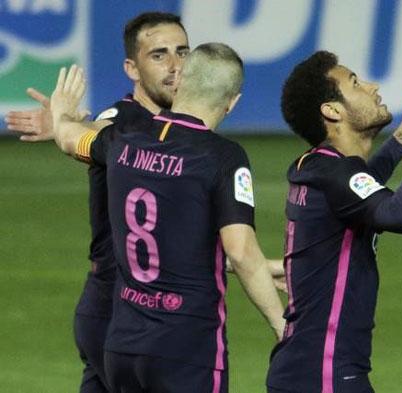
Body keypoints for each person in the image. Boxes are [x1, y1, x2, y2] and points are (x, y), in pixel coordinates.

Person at [50, 43, 285, 393]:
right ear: (233, 102)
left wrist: (60, 114)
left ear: (179, 83)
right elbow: (239, 250)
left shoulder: (122, 139)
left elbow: (70, 140)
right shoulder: (223, 157)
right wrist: (283, 327)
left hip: (123, 344)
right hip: (186, 347)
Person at [4, 12, 190, 393]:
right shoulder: (124, 118)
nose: (175, 66)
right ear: (131, 69)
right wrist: (66, 126)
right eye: (159, 55)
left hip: (124, 310)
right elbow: (108, 132)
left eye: (182, 52)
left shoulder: (175, 127)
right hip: (119, 311)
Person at [266, 51, 402, 393]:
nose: (372, 86)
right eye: (355, 83)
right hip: (326, 374)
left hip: (306, 369)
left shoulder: (315, 166)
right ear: (333, 110)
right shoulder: (336, 175)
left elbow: (360, 190)